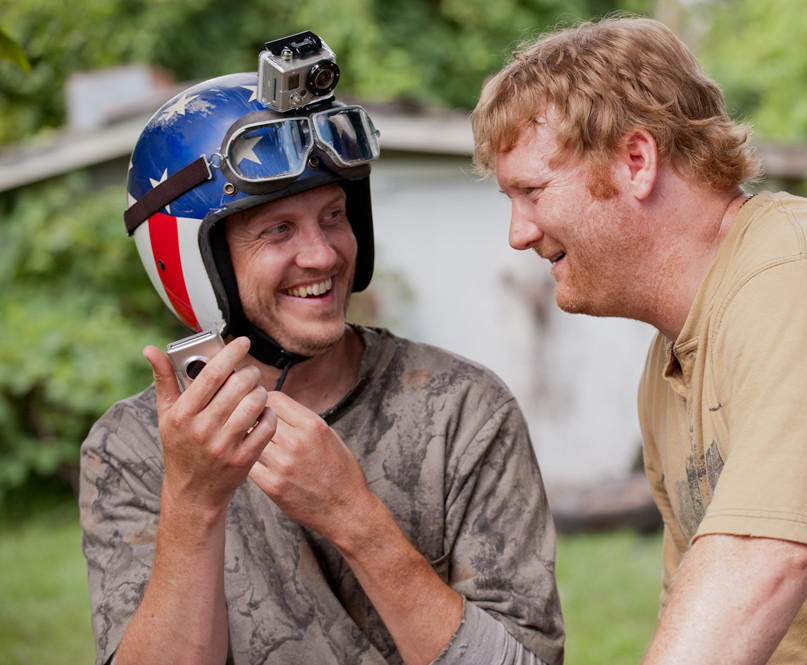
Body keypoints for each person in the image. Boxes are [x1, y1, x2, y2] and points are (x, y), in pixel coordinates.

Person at [471, 14, 807, 665]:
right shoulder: (670, 361)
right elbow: (702, 612)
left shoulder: (801, 285)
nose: (518, 232)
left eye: (530, 191)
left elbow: (757, 561)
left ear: (636, 161)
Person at [78, 44, 564, 665]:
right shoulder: (131, 450)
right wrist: (194, 502)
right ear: (200, 263)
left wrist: (354, 518)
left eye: (333, 215)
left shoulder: (463, 412)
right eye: (278, 230)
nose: (325, 255)